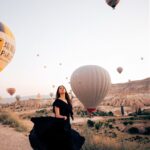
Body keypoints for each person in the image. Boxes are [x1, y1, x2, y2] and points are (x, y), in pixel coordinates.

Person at [29, 85, 85, 150]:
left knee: (69, 140)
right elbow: (57, 115)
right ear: (58, 91)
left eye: (63, 88)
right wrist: (63, 116)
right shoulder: (57, 102)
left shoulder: (67, 101)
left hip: (67, 124)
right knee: (62, 142)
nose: (62, 89)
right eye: (60, 88)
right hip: (61, 124)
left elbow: (69, 112)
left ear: (66, 90)